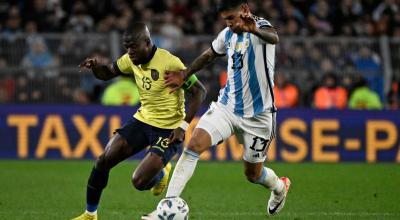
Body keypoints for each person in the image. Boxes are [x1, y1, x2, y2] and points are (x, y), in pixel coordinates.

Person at [142, 0, 290, 218]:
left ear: (245, 10)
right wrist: (185, 73)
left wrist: (254, 29)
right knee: (193, 145)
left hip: (259, 117)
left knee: (252, 174)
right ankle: (167, 209)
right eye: (225, 20)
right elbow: (209, 55)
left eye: (232, 18)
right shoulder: (228, 34)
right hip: (227, 107)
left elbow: (274, 37)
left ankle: (279, 187)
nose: (229, 24)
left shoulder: (261, 27)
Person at [72, 22, 206, 220]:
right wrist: (96, 68)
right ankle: (90, 214)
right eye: (127, 47)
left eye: (133, 46)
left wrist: (183, 126)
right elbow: (108, 72)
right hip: (142, 120)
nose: (130, 51)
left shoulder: (169, 62)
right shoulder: (130, 59)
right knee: (103, 161)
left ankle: (160, 174)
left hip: (168, 129)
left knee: (139, 182)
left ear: (147, 42)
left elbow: (199, 92)